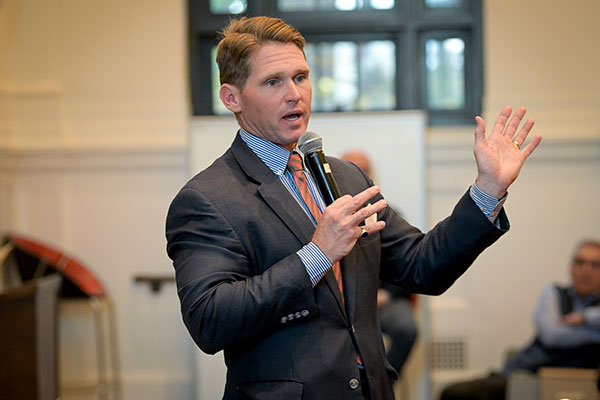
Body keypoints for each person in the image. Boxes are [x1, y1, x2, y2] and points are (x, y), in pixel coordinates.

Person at [165, 16, 541, 400]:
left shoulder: (346, 178)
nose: (295, 94)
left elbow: (421, 265)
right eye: (273, 81)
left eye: (300, 76)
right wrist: (317, 255)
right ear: (232, 98)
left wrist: (487, 190)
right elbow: (209, 320)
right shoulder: (207, 199)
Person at [439, 239, 600, 400]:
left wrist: (584, 318)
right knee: (453, 393)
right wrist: (594, 331)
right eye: (580, 263)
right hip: (523, 375)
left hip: (572, 387)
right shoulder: (554, 293)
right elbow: (551, 336)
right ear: (571, 268)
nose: (586, 271)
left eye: (595, 265)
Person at [340, 150, 418, 377]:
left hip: (384, 300)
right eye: (349, 168)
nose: (356, 175)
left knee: (407, 328)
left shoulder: (387, 214)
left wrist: (386, 295)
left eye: (363, 170)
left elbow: (406, 261)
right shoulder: (325, 218)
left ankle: (381, 383)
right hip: (342, 305)